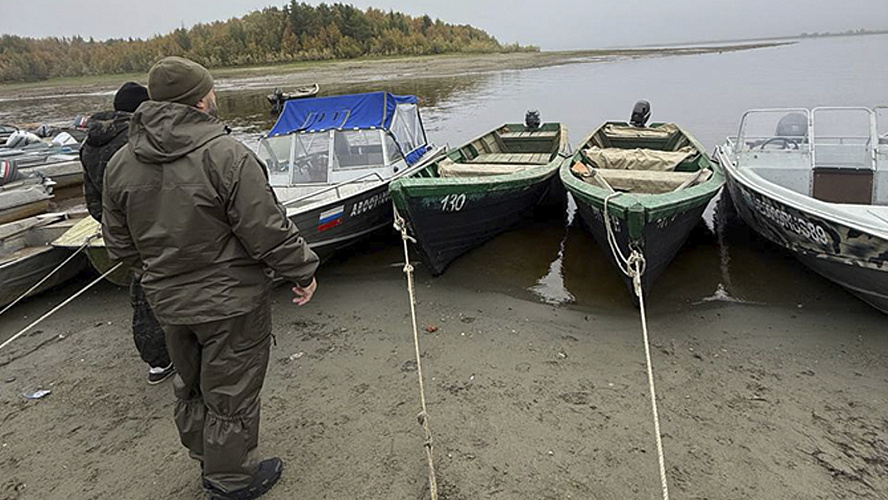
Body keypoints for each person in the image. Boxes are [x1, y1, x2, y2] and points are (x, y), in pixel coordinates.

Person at [102, 56, 320, 500]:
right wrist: (302, 269)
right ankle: (230, 479)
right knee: (232, 387)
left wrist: (157, 273)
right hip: (230, 301)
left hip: (169, 300)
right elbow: (266, 228)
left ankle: (209, 459)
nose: (214, 95)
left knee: (192, 382)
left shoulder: (121, 163)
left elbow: (118, 245)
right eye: (211, 89)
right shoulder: (227, 155)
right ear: (199, 99)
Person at [79, 82, 175, 385]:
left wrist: (116, 226)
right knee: (173, 289)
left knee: (142, 293)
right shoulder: (136, 140)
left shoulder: (89, 146)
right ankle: (181, 354)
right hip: (156, 227)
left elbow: (94, 202)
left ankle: (158, 362)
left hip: (124, 233)